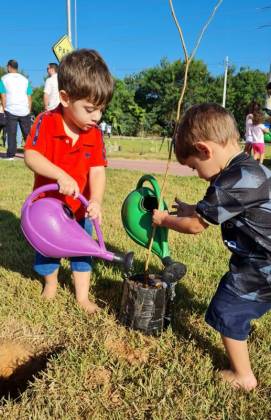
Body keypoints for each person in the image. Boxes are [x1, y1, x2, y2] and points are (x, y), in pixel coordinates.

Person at [152, 103, 271, 391]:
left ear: (205, 150)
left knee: (227, 309)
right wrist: (193, 207)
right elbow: (225, 208)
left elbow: (195, 226)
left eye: (194, 166)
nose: (197, 173)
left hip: (261, 264)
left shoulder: (228, 182)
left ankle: (243, 376)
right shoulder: (249, 170)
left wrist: (165, 219)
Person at [24, 49, 114, 314]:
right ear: (65, 98)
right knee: (47, 251)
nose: (97, 117)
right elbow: (31, 155)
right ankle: (50, 284)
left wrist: (95, 200)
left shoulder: (94, 133)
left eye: (101, 110)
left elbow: (97, 170)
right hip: (47, 209)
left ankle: (82, 296)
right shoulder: (46, 122)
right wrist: (59, 175)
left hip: (80, 208)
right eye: (89, 109)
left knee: (82, 251)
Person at [0, 59, 32, 159]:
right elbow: (29, 96)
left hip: (11, 108)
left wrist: (5, 109)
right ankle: (33, 154)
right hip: (24, 109)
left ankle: (11, 156)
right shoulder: (25, 80)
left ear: (9, 67)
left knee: (11, 133)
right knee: (28, 134)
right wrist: (29, 109)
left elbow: (3, 95)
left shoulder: (3, 79)